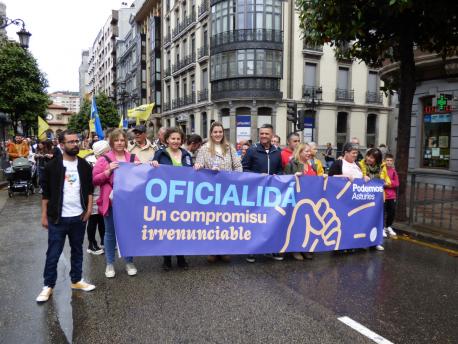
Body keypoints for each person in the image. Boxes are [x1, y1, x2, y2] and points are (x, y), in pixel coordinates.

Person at [36, 130, 95, 303]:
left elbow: (90, 189)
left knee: (77, 250)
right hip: (58, 218)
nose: (75, 144)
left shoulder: (84, 165)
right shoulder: (52, 166)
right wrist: (44, 216)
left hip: (79, 217)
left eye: (76, 141)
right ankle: (48, 286)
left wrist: (89, 209)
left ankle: (76, 280)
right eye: (71, 142)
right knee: (53, 253)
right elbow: (45, 194)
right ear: (61, 145)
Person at [93, 129, 139, 278]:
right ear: (111, 142)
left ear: (126, 141)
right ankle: (110, 264)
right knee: (110, 233)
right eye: (116, 140)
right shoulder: (104, 159)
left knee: (128, 232)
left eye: (122, 140)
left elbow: (142, 177)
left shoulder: (133, 157)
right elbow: (94, 180)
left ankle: (129, 262)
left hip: (129, 202)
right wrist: (107, 171)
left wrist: (143, 167)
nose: (120, 143)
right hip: (111, 201)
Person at [195, 122, 242, 263]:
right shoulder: (204, 149)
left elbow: (238, 166)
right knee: (211, 221)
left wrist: (235, 179)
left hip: (227, 190)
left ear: (223, 133)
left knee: (225, 221)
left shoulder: (229, 148)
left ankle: (224, 249)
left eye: (220, 132)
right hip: (210, 191)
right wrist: (199, 166)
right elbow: (199, 165)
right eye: (215, 132)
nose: (218, 134)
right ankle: (212, 250)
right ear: (211, 133)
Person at [151, 127, 192, 270]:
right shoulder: (160, 154)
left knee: (181, 229)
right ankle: (167, 259)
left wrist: (197, 167)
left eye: (178, 139)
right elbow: (151, 173)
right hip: (165, 199)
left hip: (182, 199)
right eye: (173, 138)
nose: (175, 141)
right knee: (166, 229)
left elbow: (192, 175)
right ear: (167, 140)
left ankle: (181, 258)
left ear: (182, 140)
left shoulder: (186, 155)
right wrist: (153, 164)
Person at [243, 124, 283, 263]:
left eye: (267, 134)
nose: (264, 136)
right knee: (255, 221)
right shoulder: (252, 150)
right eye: (262, 133)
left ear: (272, 136)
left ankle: (271, 249)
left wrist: (275, 176)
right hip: (255, 192)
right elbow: (244, 169)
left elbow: (281, 171)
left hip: (272, 193)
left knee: (271, 220)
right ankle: (252, 251)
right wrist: (258, 176)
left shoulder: (277, 152)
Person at [285, 143, 326, 260]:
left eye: (309, 151)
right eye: (306, 151)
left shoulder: (312, 165)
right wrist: (294, 176)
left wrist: (322, 178)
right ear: (300, 152)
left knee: (308, 225)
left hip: (311, 200)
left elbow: (315, 180)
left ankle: (306, 248)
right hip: (297, 200)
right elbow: (284, 180)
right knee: (297, 225)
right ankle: (295, 249)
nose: (309, 153)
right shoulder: (291, 164)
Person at [360, 148, 391, 251]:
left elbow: (387, 181)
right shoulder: (361, 164)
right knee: (365, 220)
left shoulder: (382, 167)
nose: (368, 158)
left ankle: (375, 242)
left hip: (377, 198)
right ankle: (363, 242)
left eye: (372, 157)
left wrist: (384, 182)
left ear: (377, 160)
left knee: (377, 220)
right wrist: (363, 177)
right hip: (365, 197)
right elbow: (358, 178)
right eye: (368, 155)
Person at [85, 140, 111, 255]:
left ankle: (104, 242)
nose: (110, 152)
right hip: (93, 195)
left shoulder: (106, 159)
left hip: (103, 194)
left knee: (102, 220)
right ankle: (91, 244)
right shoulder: (89, 162)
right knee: (93, 220)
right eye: (107, 151)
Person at [384, 153, 399, 238]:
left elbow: (397, 183)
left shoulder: (393, 171)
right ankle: (382, 228)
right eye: (387, 160)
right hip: (383, 195)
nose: (389, 162)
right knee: (383, 213)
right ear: (384, 161)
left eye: (390, 161)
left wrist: (388, 183)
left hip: (392, 196)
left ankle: (388, 226)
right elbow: (380, 181)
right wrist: (388, 183)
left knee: (392, 212)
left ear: (392, 162)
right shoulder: (382, 170)